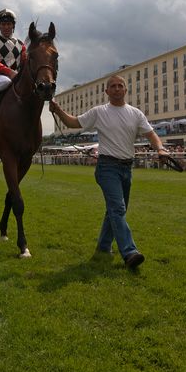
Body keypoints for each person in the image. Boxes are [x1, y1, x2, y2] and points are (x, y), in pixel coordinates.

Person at [48, 75, 169, 270]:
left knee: (114, 211)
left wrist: (160, 148)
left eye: (120, 85)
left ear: (126, 90)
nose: (117, 88)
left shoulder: (136, 113)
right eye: (113, 86)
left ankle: (104, 247)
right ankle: (130, 252)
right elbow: (73, 123)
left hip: (126, 168)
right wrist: (59, 110)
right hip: (107, 168)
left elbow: (151, 134)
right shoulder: (99, 112)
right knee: (118, 209)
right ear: (107, 91)